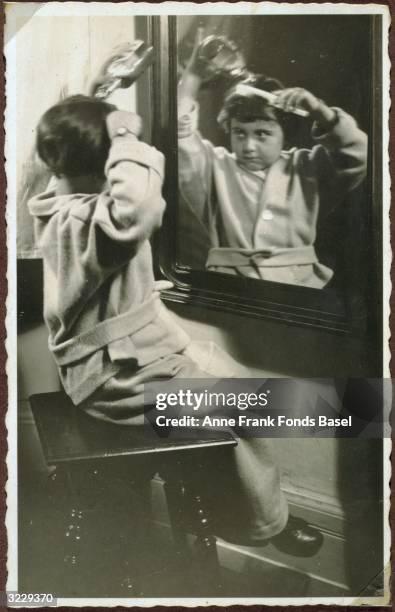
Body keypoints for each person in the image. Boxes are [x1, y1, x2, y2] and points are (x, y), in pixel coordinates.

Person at [28, 59, 321, 554]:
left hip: (129, 357)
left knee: (235, 370)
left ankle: (264, 511)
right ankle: (262, 523)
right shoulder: (89, 221)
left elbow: (76, 153)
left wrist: (103, 95)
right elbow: (137, 208)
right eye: (116, 157)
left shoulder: (59, 203)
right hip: (120, 382)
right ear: (107, 166)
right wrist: (122, 134)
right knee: (261, 406)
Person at [178, 39, 368, 288]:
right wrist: (192, 74)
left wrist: (319, 109)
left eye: (262, 134)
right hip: (229, 287)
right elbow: (179, 132)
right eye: (239, 133)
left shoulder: (308, 167)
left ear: (284, 133)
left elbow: (356, 151)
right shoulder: (214, 167)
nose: (248, 146)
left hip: (302, 288)